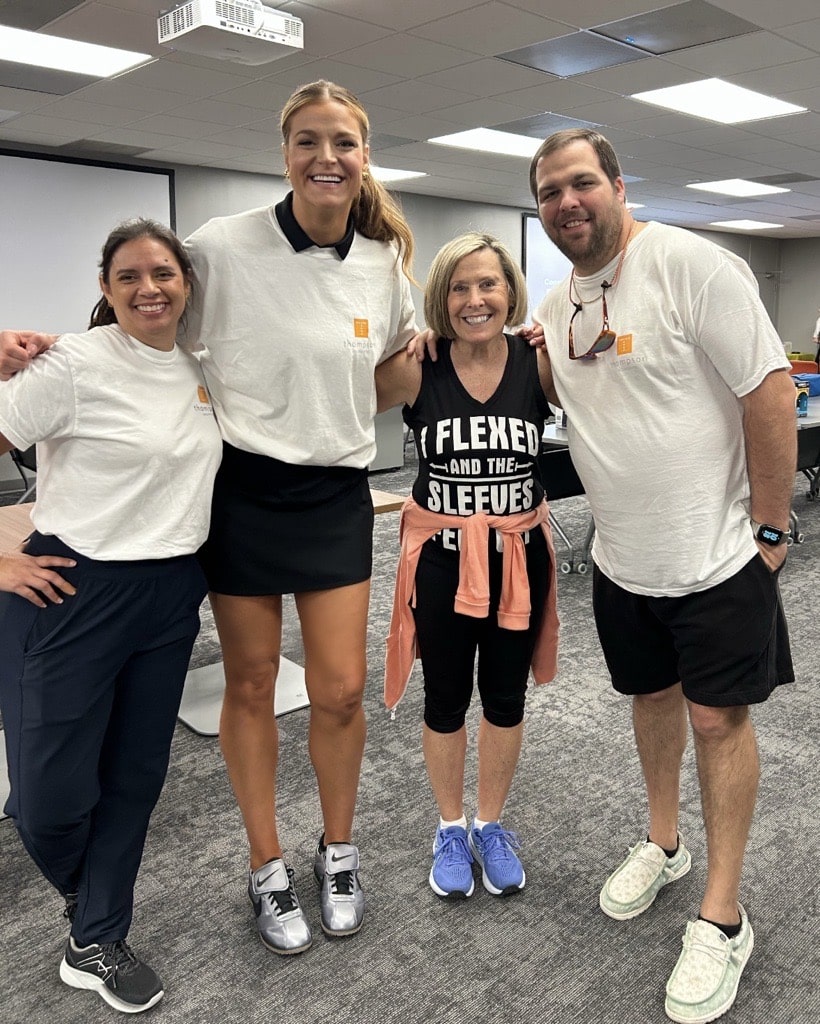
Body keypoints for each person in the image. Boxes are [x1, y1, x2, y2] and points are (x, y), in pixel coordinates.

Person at [0, 80, 420, 952]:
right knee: (256, 685)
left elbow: (394, 374)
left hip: (334, 495)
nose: (325, 157)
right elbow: (143, 313)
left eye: (342, 141)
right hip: (242, 496)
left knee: (340, 691)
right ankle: (266, 864)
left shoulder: (384, 262)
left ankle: (336, 848)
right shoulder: (220, 246)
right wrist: (30, 348)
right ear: (285, 154)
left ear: (364, 154)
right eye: (307, 140)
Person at [529, 128, 797, 1023]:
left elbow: (767, 391)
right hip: (622, 561)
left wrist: (769, 526)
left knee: (719, 720)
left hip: (718, 556)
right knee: (651, 703)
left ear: (616, 183)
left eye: (580, 184)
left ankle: (723, 916)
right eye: (549, 193)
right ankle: (663, 842)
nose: (567, 204)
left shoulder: (695, 266)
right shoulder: (557, 304)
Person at [0, 219, 222, 1013]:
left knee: (134, 776)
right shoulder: (75, 363)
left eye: (163, 272)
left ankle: (95, 935)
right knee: (50, 796)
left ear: (186, 284)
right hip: (70, 590)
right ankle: (86, 892)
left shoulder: (201, 370)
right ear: (106, 287)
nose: (148, 288)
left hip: (169, 594)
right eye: (128, 275)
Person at [376, 233, 559, 900]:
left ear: (510, 291)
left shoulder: (538, 364)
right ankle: (450, 827)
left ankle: (491, 823)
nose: (475, 299)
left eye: (488, 285)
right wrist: (399, 338)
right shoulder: (418, 366)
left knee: (505, 699)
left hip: (518, 561)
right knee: (447, 698)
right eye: (459, 287)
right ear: (440, 297)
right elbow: (331, 388)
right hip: (442, 567)